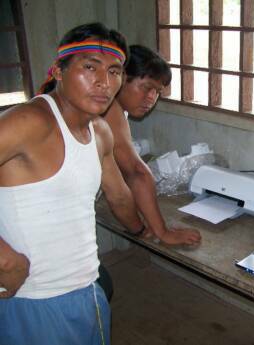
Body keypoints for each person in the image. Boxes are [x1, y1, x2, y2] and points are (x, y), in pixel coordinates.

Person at [0, 23, 150, 345]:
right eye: (89, 67)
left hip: (86, 289)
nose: (103, 82)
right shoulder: (29, 122)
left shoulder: (99, 131)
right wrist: (4, 258)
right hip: (34, 299)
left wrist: (145, 231)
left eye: (114, 71)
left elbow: (118, 195)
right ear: (58, 71)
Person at [103, 45, 201, 245]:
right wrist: (162, 232)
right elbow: (137, 173)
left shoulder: (107, 106)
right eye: (147, 87)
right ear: (121, 78)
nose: (151, 98)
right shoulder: (109, 107)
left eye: (157, 91)